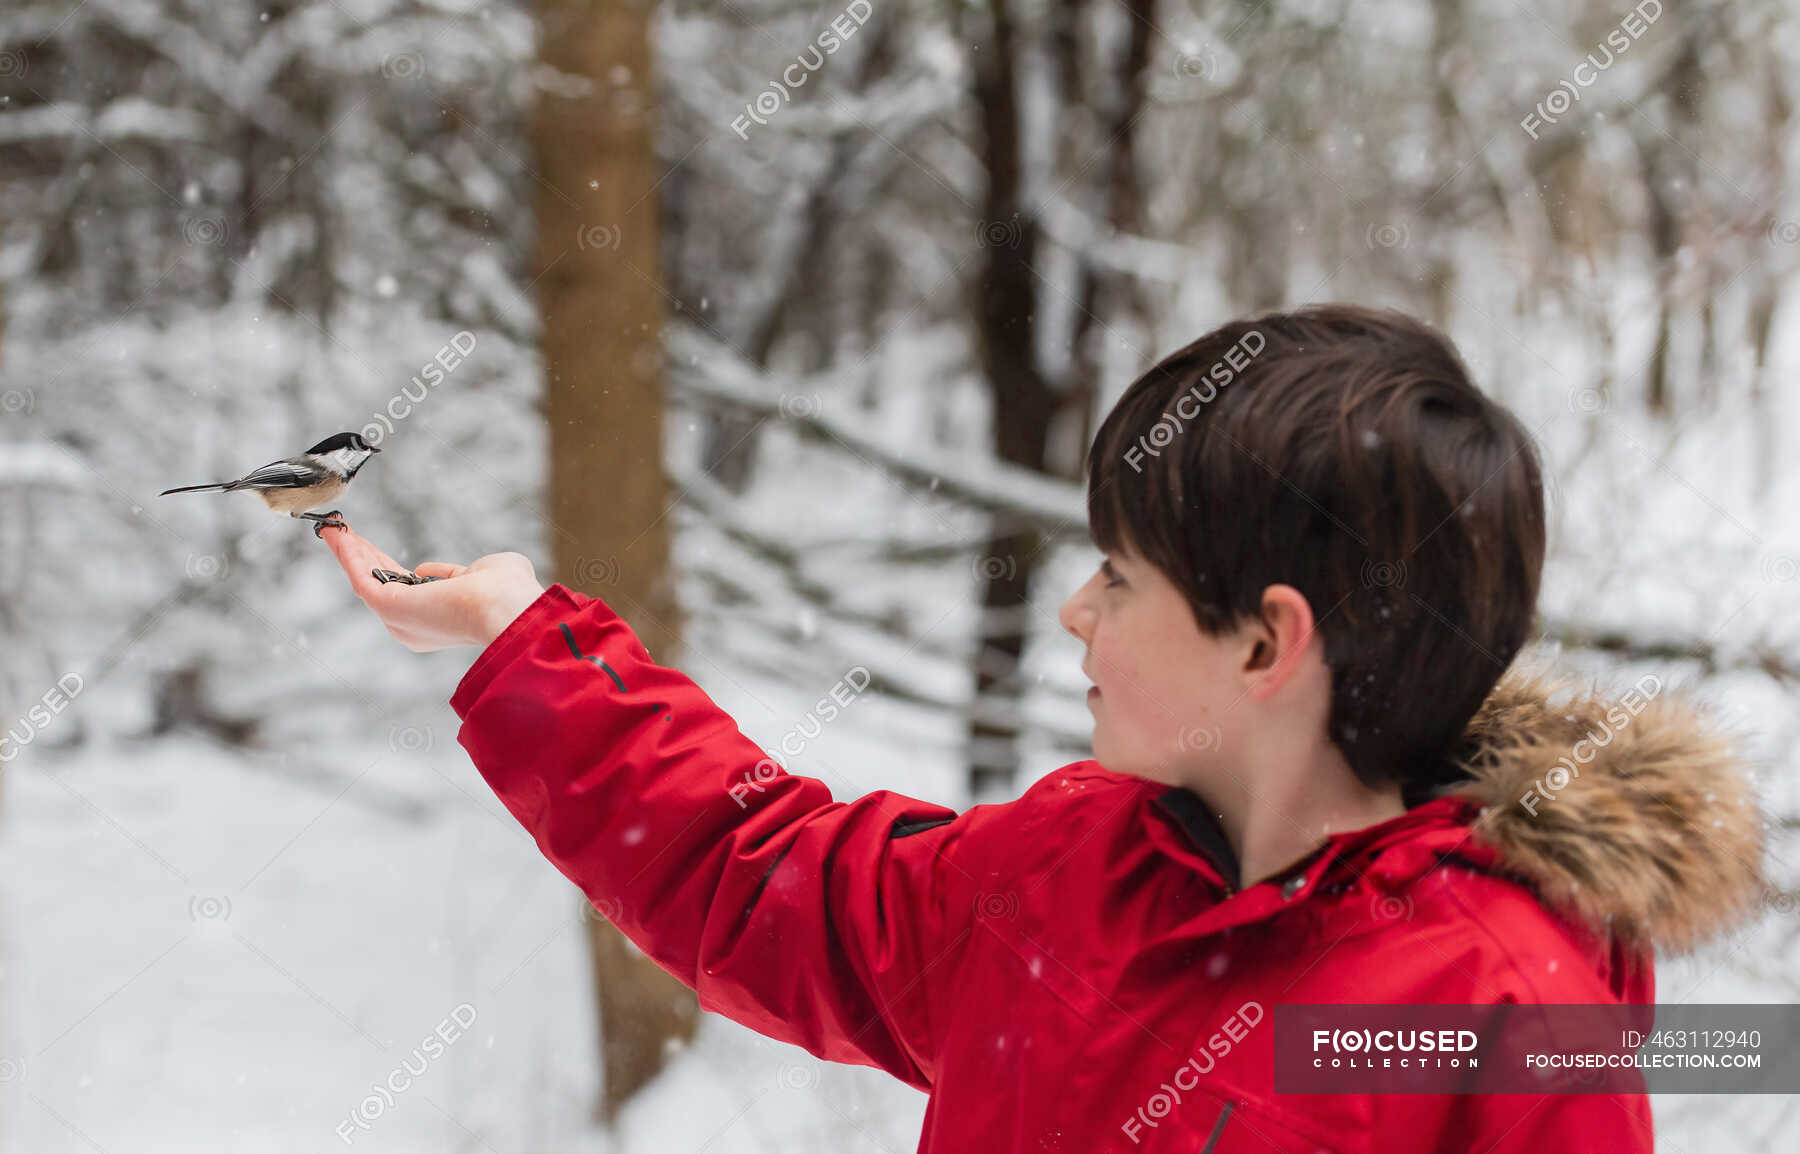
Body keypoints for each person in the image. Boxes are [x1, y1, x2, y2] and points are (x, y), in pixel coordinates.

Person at [321, 304, 1765, 1153]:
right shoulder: (1068, 874)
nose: (1076, 613)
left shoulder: (1490, 1010)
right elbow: (764, 873)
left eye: (1121, 578)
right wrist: (531, 651)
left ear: (1269, 641)